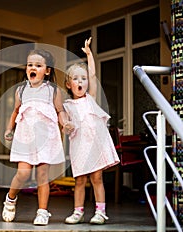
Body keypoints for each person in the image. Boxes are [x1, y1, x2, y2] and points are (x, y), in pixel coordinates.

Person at [2, 49, 72, 225]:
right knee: (23, 173)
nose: (33, 68)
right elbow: (16, 111)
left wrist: (65, 123)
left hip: (45, 138)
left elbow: (60, 111)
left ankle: (42, 211)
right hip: (25, 136)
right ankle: (10, 199)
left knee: (42, 175)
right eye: (30, 65)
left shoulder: (52, 91)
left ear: (47, 71)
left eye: (38, 65)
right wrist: (9, 128)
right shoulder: (21, 90)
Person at [63, 37, 120, 225]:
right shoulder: (67, 105)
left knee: (97, 177)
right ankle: (77, 212)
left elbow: (93, 75)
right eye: (76, 79)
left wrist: (89, 55)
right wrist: (67, 126)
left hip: (94, 145)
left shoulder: (91, 98)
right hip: (79, 147)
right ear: (68, 84)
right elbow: (64, 123)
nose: (81, 82)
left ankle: (100, 211)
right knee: (79, 180)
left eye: (83, 78)